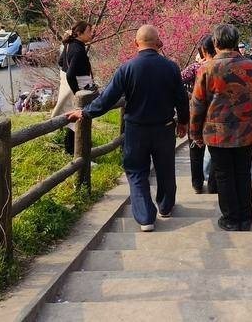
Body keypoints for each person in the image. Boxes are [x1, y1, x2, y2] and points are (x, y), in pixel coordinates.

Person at [67, 25, 189, 232]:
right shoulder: (171, 67)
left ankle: (145, 217)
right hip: (164, 127)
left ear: (136, 43)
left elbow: (107, 98)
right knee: (165, 168)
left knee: (136, 171)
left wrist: (86, 112)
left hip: (137, 130)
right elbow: (181, 98)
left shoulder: (127, 68)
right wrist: (184, 122)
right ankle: (166, 207)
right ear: (157, 42)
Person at [191, 24, 252, 232]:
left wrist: (195, 132)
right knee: (242, 173)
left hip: (217, 133)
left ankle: (231, 219)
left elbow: (198, 104)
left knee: (223, 175)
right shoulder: (251, 66)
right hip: (246, 130)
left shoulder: (207, 68)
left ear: (215, 43)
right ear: (236, 41)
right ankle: (245, 216)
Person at [51, 21, 95, 155]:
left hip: (69, 86)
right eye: (89, 31)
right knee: (78, 120)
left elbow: (60, 62)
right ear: (79, 33)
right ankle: (76, 152)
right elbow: (70, 74)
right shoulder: (78, 49)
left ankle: (70, 150)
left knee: (71, 120)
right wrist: (77, 93)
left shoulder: (69, 45)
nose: (91, 34)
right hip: (78, 87)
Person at [182, 35, 217, 194]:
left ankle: (197, 184)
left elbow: (178, 80)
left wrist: (189, 95)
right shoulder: (221, 66)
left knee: (196, 150)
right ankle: (213, 184)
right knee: (216, 151)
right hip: (216, 116)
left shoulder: (195, 68)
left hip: (196, 113)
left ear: (203, 51)